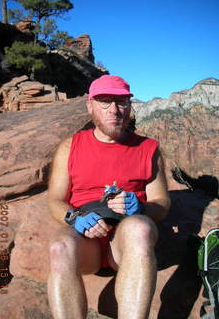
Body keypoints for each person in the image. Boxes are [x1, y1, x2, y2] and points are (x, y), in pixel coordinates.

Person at [47, 75, 171, 319]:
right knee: (59, 247)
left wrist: (141, 209)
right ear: (90, 105)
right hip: (87, 242)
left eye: (122, 102)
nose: (114, 110)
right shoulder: (70, 147)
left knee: (140, 229)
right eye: (105, 101)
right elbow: (54, 200)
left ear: (130, 105)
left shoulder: (149, 149)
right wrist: (74, 217)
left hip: (126, 244)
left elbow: (162, 203)